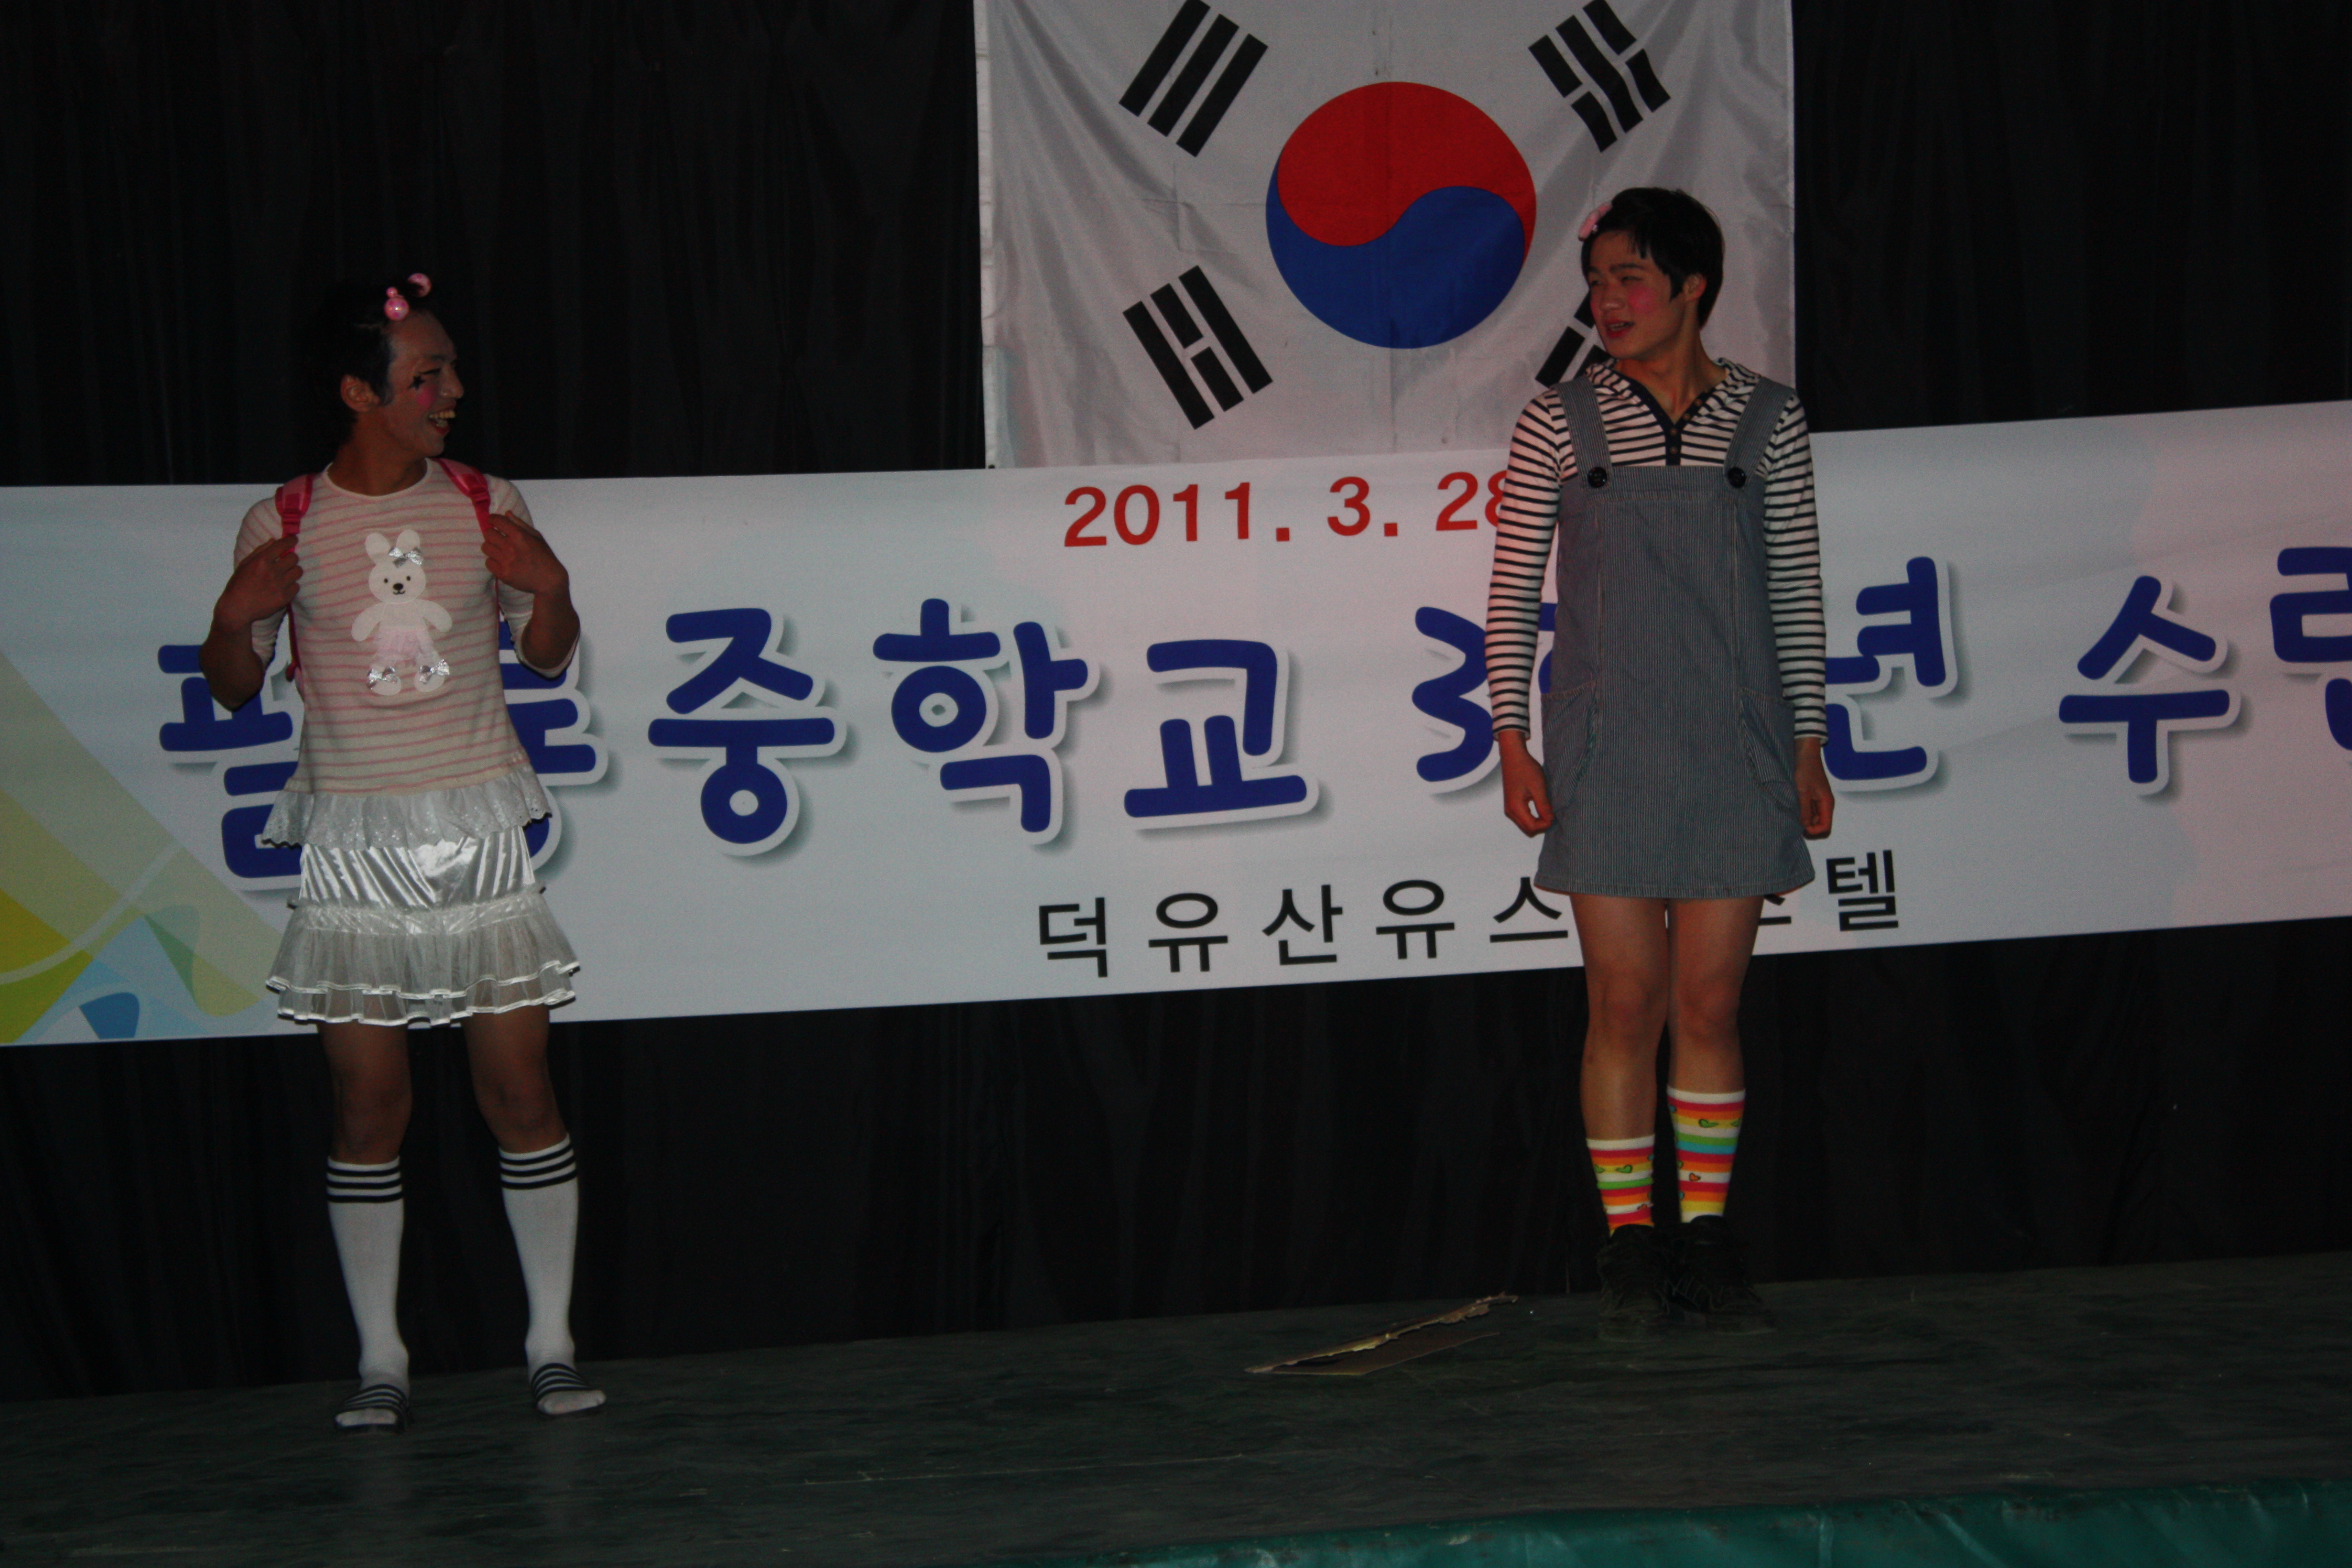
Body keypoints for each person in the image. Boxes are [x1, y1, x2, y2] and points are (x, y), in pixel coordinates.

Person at [199, 274, 603, 1429]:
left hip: (476, 830)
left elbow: (547, 655)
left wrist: (553, 587)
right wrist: (231, 615)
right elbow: (232, 689)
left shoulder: (484, 499)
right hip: (352, 839)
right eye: (428, 375)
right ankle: (382, 1357)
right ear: (357, 393)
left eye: (451, 369)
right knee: (369, 1104)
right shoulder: (282, 519)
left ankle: (552, 1343)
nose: (453, 390)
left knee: (519, 1087)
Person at [1483, 189, 1834, 1341]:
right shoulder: (1560, 421)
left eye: (1630, 279)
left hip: (1735, 740)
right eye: (1597, 284)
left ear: (1692, 286)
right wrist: (1511, 736)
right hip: (1608, 741)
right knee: (1624, 998)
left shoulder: (1768, 420)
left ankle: (1708, 1233)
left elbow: (1795, 590)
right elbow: (1513, 588)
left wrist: (1808, 742)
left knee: (1711, 999)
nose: (1609, 302)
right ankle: (1630, 1239)